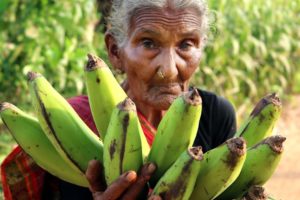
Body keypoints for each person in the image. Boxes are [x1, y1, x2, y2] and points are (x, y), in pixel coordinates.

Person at [1, 0, 236, 199]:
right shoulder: (70, 126)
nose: (170, 69)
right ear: (115, 52)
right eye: (149, 43)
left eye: (186, 44)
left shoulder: (216, 115)